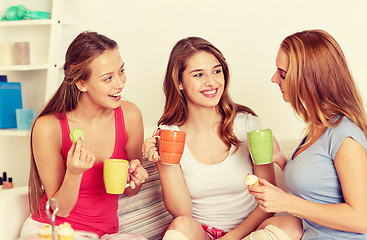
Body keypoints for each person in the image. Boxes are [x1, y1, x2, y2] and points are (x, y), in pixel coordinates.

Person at [142, 36, 283, 240]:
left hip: (249, 234)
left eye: (217, 71)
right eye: (198, 74)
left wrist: (232, 237)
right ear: (179, 82)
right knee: (180, 225)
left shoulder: (248, 125)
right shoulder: (168, 133)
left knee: (289, 223)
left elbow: (269, 200)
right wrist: (163, 161)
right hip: (201, 235)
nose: (211, 82)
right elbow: (183, 214)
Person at [20, 31, 148, 239]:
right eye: (108, 78)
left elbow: (130, 190)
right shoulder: (48, 128)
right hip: (54, 230)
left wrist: (136, 179)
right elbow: (59, 210)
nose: (120, 83)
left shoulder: (130, 116)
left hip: (104, 233)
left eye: (121, 71)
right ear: (81, 83)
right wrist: (74, 173)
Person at [248, 29, 367, 239]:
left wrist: (286, 202)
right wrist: (281, 159)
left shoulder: (345, 136)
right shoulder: (317, 127)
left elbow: (361, 220)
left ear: (309, 79)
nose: (274, 78)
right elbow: (320, 187)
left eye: (282, 73)